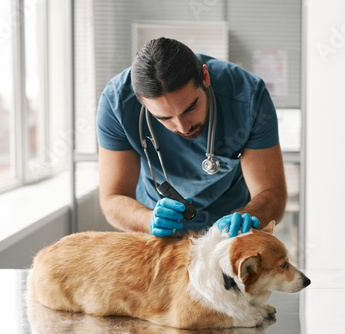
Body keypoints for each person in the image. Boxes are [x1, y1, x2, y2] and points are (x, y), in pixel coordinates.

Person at [96, 37, 287, 237]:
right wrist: (148, 219)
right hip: (155, 226)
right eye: (164, 118)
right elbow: (113, 198)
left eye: (190, 108)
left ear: (205, 77)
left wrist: (247, 217)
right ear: (140, 101)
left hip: (230, 229)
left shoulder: (248, 95)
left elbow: (272, 192)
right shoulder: (116, 104)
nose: (183, 127)